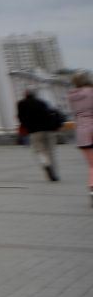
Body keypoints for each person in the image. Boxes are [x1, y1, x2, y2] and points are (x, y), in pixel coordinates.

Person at [16, 88, 65, 182]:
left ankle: (45, 164)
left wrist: (27, 126)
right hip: (49, 129)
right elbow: (50, 113)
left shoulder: (21, 104)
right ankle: (54, 174)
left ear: (25, 95)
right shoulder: (41, 102)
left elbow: (20, 118)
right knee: (51, 152)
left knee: (39, 151)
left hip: (34, 131)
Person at [65, 71, 93, 204]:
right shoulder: (91, 92)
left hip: (81, 132)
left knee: (92, 166)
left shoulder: (71, 96)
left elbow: (75, 114)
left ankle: (92, 190)